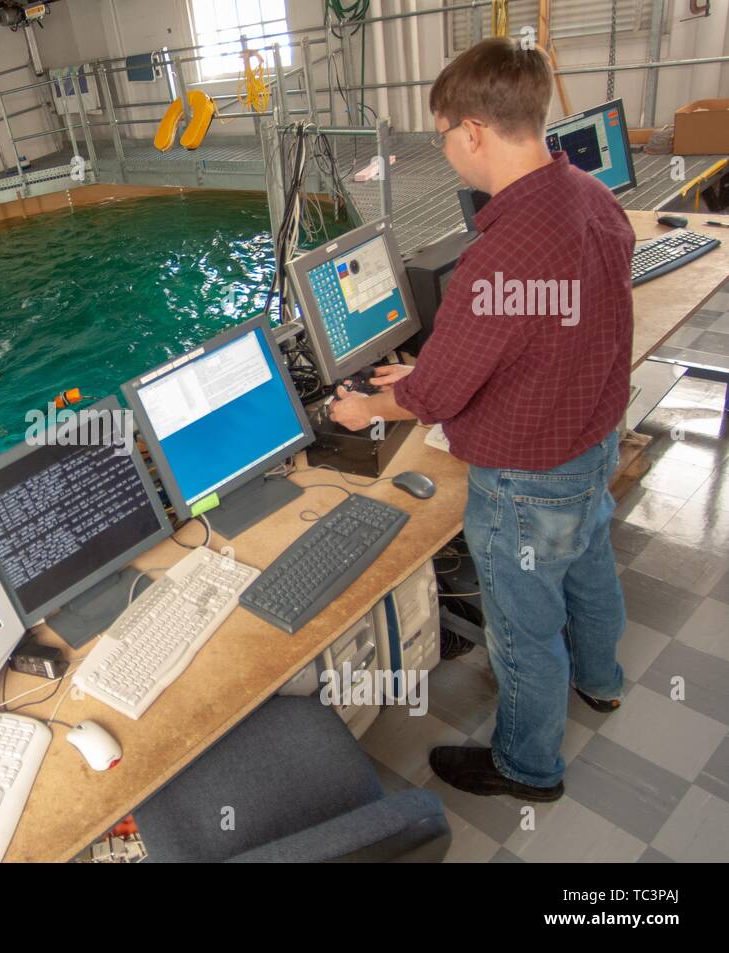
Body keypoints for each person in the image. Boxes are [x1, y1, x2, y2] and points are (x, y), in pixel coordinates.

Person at [329, 37, 635, 801]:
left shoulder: (500, 258)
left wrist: (365, 404)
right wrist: (436, 370)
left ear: (471, 131)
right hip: (592, 443)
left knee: (525, 633)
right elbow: (554, 333)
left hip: (529, 482)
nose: (447, 152)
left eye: (441, 135)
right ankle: (603, 681)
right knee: (592, 569)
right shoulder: (593, 199)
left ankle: (528, 768)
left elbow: (431, 400)